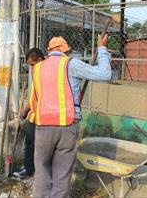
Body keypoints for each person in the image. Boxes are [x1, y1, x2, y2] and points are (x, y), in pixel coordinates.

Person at [31, 36, 112, 198]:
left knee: (41, 173)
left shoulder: (38, 68)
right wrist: (102, 49)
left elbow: (35, 99)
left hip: (43, 127)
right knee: (61, 175)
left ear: (49, 50)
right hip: (67, 126)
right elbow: (104, 74)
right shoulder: (71, 63)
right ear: (64, 50)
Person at [13, 48, 45, 179]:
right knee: (29, 143)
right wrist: (25, 110)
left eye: (32, 64)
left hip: (41, 118)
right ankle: (28, 167)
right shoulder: (37, 75)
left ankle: (29, 169)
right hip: (33, 116)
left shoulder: (44, 75)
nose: (31, 68)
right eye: (29, 65)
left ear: (40, 60)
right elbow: (33, 98)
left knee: (35, 145)